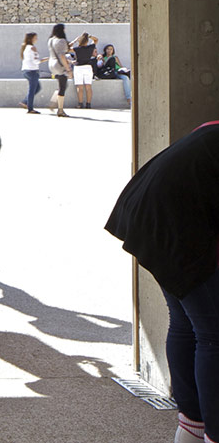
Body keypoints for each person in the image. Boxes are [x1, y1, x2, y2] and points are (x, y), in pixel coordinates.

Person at [106, 122, 219, 443]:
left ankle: (192, 427)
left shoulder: (212, 129)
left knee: (186, 323)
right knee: (214, 334)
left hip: (146, 213)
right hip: (174, 221)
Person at [47, 23, 72, 117]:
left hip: (52, 64)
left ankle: (53, 102)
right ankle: (60, 110)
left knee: (62, 85)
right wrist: (68, 69)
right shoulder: (61, 40)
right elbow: (62, 56)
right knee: (62, 86)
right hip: (59, 65)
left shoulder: (51, 40)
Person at [71, 32, 100, 108]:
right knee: (88, 87)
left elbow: (67, 48)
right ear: (87, 41)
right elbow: (96, 40)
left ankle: (80, 104)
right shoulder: (90, 47)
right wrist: (89, 36)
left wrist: (74, 41)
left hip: (78, 68)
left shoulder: (77, 49)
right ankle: (88, 104)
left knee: (79, 87)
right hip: (88, 67)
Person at [20, 32, 44, 114]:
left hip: (26, 70)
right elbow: (36, 61)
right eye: (35, 37)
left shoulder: (25, 47)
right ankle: (30, 108)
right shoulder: (32, 48)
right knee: (32, 89)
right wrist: (45, 59)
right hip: (32, 71)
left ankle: (25, 101)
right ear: (31, 39)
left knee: (37, 87)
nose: (37, 39)